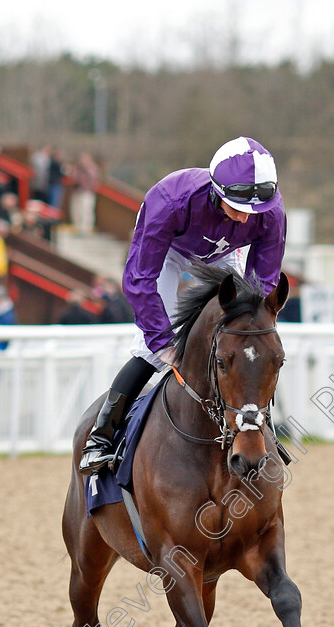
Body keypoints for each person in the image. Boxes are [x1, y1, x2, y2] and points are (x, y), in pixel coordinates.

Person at [79, 136, 286, 475]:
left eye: (255, 212)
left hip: (222, 256)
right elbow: (139, 279)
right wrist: (163, 342)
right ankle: (101, 437)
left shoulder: (272, 212)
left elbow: (263, 281)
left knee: (249, 344)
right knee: (150, 348)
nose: (247, 220)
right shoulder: (169, 199)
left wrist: (253, 324)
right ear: (216, 192)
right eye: (238, 208)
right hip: (169, 253)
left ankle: (261, 431)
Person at [69, 153, 99, 236]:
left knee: (86, 211)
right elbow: (73, 177)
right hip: (77, 191)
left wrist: (85, 169)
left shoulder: (92, 168)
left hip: (87, 192)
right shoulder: (78, 168)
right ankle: (77, 228)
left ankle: (86, 229)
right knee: (76, 211)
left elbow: (93, 179)